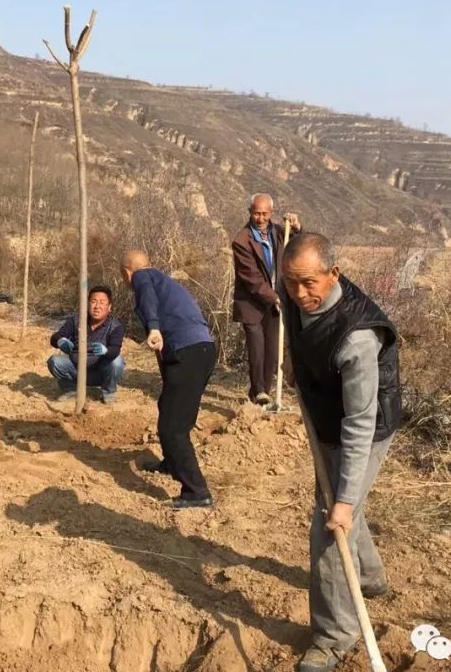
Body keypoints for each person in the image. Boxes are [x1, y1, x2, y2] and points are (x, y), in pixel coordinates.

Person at [280, 233, 403, 672]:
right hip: (326, 412)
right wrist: (294, 361)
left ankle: (336, 636)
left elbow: (359, 425)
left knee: (332, 522)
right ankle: (370, 579)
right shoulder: (293, 289)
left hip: (364, 429)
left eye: (310, 284)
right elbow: (290, 318)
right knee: (342, 512)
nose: (300, 294)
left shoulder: (358, 339)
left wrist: (346, 501)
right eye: (291, 283)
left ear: (335, 274)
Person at [120, 251, 216, 509]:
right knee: (169, 406)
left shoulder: (142, 277)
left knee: (173, 428)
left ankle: (197, 491)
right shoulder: (168, 283)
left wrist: (152, 326)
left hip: (188, 351)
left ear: (127, 274)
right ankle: (171, 462)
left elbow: (148, 298)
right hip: (203, 349)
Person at [231, 193, 301, 404]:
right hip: (251, 303)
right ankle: (258, 390)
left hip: (274, 301)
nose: (260, 218)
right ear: (249, 212)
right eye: (256, 213)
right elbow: (250, 277)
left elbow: (297, 247)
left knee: (272, 348)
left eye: (264, 214)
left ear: (271, 213)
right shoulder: (242, 240)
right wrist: (274, 297)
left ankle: (265, 394)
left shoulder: (280, 232)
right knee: (257, 345)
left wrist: (297, 228)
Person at [47, 285, 127, 404]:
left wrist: (106, 351)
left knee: (117, 362)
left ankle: (108, 392)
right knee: (55, 361)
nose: (97, 306)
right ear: (88, 304)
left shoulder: (116, 326)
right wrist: (60, 341)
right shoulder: (76, 321)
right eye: (93, 302)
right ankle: (70, 390)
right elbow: (56, 337)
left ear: (109, 307)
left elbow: (115, 350)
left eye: (102, 302)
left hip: (100, 372)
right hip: (76, 369)